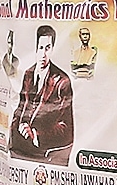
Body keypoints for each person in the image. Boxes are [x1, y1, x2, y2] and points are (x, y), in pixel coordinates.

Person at [8, 24, 74, 163]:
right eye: (40, 48)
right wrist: (14, 134)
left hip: (44, 153)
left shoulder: (62, 81)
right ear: (35, 48)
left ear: (52, 49)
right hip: (19, 149)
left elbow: (66, 129)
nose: (43, 54)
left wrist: (36, 134)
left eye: (47, 48)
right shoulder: (28, 74)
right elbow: (20, 109)